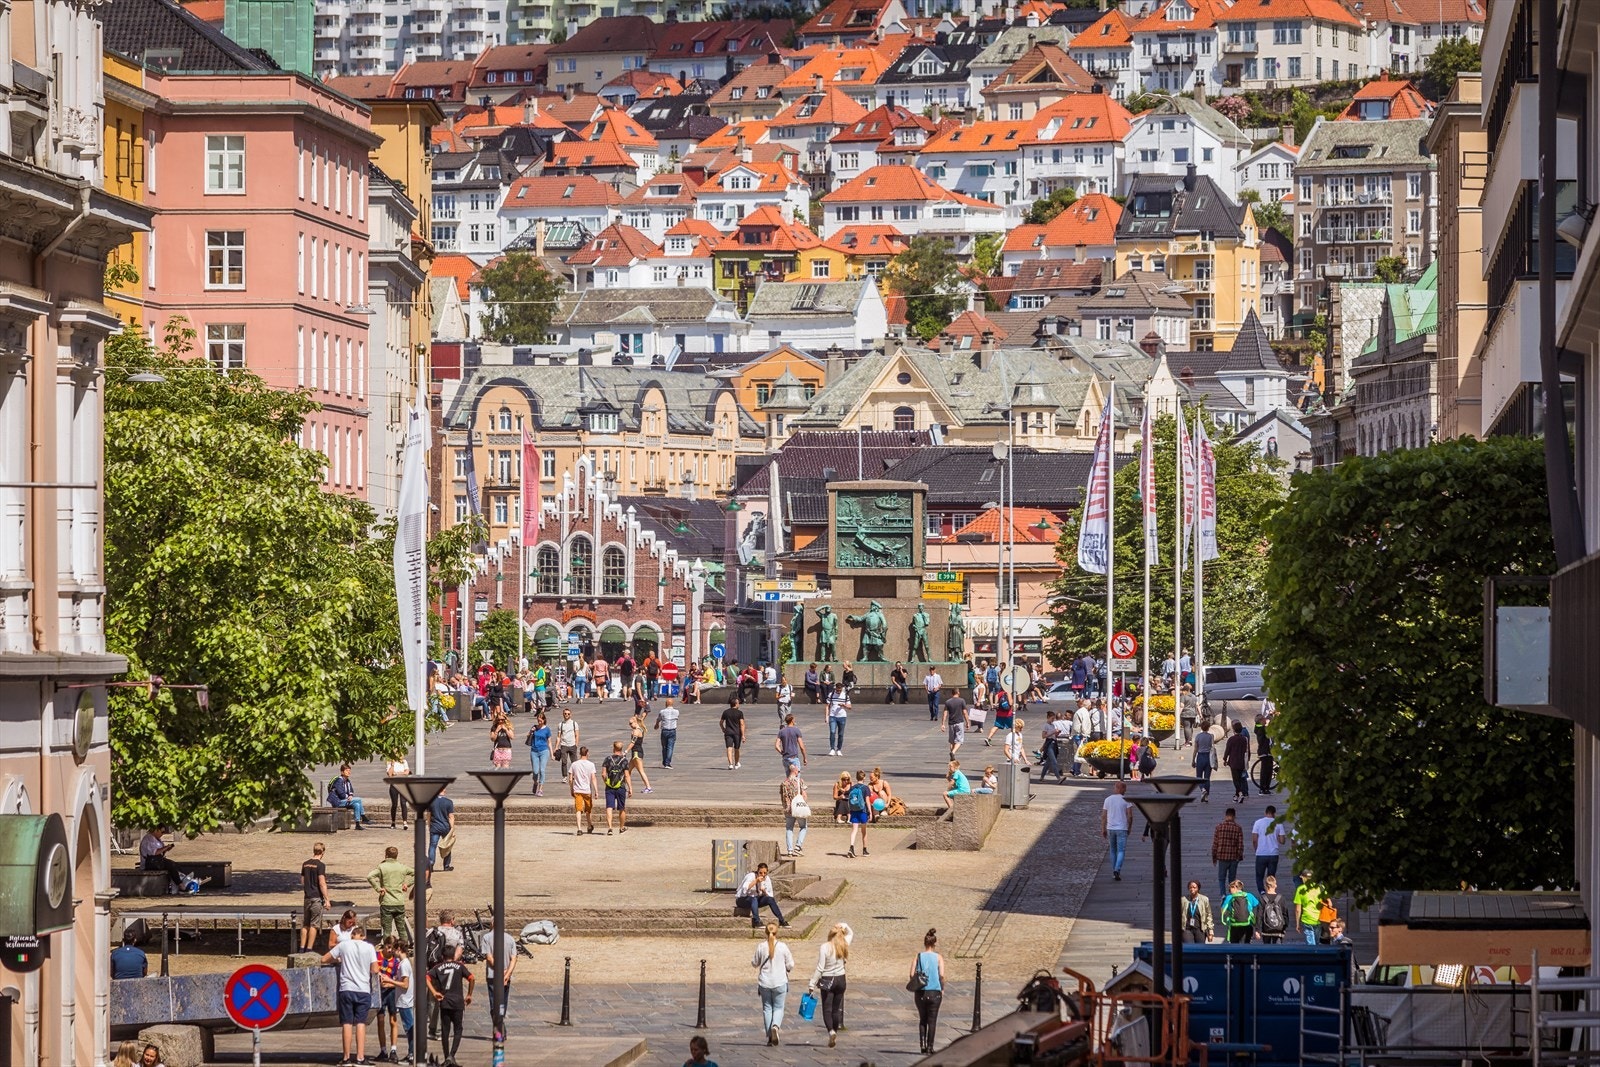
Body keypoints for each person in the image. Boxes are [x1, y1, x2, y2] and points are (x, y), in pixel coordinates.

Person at [323, 921, 380, 1064]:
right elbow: (375, 969)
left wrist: (340, 959)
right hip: (363, 989)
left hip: (346, 988)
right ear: (363, 936)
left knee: (347, 1023)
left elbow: (324, 959)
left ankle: (346, 1057)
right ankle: (360, 1057)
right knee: (361, 1023)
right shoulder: (369, 947)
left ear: (352, 934)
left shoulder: (344, 945)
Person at [426, 943, 473, 1067]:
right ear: (453, 955)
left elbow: (427, 977)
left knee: (445, 1031)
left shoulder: (438, 967)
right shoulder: (459, 966)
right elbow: (471, 978)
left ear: (442, 956)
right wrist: (469, 994)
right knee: (458, 1029)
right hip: (457, 1002)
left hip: (444, 1001)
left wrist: (434, 992)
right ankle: (452, 1055)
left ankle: (447, 1056)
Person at [808, 922, 853, 1048]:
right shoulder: (844, 944)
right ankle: (835, 1031)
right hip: (841, 979)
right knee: (836, 1009)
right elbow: (851, 932)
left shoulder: (825, 947)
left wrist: (812, 983)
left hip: (827, 980)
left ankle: (831, 1031)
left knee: (827, 1009)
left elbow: (820, 968)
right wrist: (843, 924)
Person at [752, 920, 795, 1046]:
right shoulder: (783, 946)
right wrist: (787, 968)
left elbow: (754, 963)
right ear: (777, 932)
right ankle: (775, 1026)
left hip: (765, 982)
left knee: (767, 1008)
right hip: (780, 981)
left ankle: (770, 1036)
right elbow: (790, 964)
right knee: (778, 1007)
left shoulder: (761, 946)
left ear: (766, 932)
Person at [479, 912, 517, 1041]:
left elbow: (489, 958)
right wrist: (507, 974)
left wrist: (501, 972)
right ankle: (501, 1027)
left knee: (493, 1004)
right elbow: (514, 959)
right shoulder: (510, 939)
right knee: (503, 1004)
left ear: (492, 924)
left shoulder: (487, 938)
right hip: (506, 976)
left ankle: (499, 1029)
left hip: (493, 975)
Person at [367, 845, 414, 941]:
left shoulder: (382, 867)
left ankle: (387, 949)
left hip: (387, 902)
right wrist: (407, 884)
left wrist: (378, 888)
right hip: (399, 902)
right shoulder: (402, 867)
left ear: (386, 855)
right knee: (401, 928)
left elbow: (370, 876)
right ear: (397, 855)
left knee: (387, 930)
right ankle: (404, 947)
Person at [910, 928, 946, 1055]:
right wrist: (942, 988)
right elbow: (941, 975)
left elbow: (911, 974)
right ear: (934, 944)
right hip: (934, 992)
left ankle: (922, 1045)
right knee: (932, 1020)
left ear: (925, 943)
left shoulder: (918, 956)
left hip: (921, 992)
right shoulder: (938, 957)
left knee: (922, 1019)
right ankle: (930, 1047)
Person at [384, 940, 415, 1063]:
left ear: (398, 949)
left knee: (409, 1028)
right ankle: (411, 1053)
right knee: (409, 1027)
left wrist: (390, 980)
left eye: (394, 949)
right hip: (404, 1000)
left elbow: (405, 984)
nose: (392, 951)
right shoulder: (403, 963)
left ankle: (412, 1054)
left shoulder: (404, 964)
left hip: (405, 1001)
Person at [300, 842, 331, 951]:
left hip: (307, 897)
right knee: (314, 924)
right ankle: (309, 948)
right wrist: (327, 899)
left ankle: (301, 947)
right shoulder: (320, 865)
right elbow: (322, 882)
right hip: (316, 897)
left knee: (305, 924)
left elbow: (302, 881)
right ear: (322, 852)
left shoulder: (305, 864)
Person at [738, 863, 788, 929]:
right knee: (754, 899)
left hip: (756, 900)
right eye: (760, 873)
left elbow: (769, 896)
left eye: (765, 873)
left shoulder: (767, 879)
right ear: (757, 872)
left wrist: (764, 891)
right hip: (743, 899)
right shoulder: (751, 876)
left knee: (770, 899)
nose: (763, 875)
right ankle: (757, 921)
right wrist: (756, 881)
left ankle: (781, 920)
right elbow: (745, 889)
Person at [1211, 807, 1245, 900]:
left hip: (1222, 856)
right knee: (1232, 878)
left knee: (1221, 878)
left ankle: (1223, 894)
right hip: (1234, 857)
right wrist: (1239, 856)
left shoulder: (1219, 827)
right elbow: (1240, 844)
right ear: (1234, 816)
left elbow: (1215, 844)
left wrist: (1214, 857)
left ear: (1226, 816)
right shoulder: (1238, 828)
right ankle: (1232, 894)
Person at [1251, 805, 1286, 894]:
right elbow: (1282, 841)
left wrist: (1256, 849)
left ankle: (1262, 891)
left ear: (1265, 813)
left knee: (1259, 876)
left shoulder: (1258, 822)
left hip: (1261, 853)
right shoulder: (1278, 823)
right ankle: (1270, 891)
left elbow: (1254, 839)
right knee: (1271, 875)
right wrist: (1276, 837)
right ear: (1274, 814)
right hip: (1273, 853)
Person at [1101, 782, 1132, 881]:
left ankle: (1114, 871)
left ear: (1115, 788)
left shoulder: (1108, 800)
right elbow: (1130, 816)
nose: (1125, 791)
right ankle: (1117, 869)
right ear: (1121, 789)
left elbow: (1103, 816)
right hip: (1122, 828)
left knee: (1113, 850)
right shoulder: (1126, 800)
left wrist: (1103, 828)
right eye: (1125, 789)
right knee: (1121, 851)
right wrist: (1129, 827)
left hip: (1110, 828)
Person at [138, 827, 185, 892]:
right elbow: (154, 852)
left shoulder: (157, 840)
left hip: (157, 861)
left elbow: (160, 852)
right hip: (150, 863)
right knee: (171, 865)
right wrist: (165, 847)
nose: (162, 834)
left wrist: (166, 849)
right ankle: (180, 884)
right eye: (162, 832)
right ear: (155, 830)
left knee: (176, 865)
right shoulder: (148, 839)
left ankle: (180, 882)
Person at [601, 741, 633, 835]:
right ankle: (621, 827)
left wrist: (606, 781)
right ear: (621, 749)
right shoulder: (624, 760)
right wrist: (630, 787)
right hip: (621, 786)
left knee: (609, 807)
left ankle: (610, 828)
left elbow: (603, 774)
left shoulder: (607, 759)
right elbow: (627, 775)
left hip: (609, 786)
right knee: (621, 808)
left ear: (613, 748)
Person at [568, 745, 598, 835]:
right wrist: (596, 790)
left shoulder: (574, 764)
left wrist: (571, 788)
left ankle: (579, 829)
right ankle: (589, 825)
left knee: (578, 809)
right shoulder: (591, 764)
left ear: (579, 753)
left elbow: (570, 779)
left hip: (577, 790)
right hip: (587, 790)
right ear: (587, 753)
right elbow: (593, 778)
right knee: (588, 810)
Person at [328, 763, 369, 829]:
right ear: (342, 772)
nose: (349, 772)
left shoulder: (347, 781)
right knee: (359, 799)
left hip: (344, 800)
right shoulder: (339, 780)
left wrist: (350, 795)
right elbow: (341, 794)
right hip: (338, 802)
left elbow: (351, 790)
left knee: (357, 805)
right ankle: (363, 816)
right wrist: (348, 796)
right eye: (347, 770)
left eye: (349, 770)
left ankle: (357, 824)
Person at [780, 763, 809, 857]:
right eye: (797, 770)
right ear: (794, 771)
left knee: (789, 828)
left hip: (788, 809)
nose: (798, 771)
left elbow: (783, 797)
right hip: (799, 807)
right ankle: (798, 846)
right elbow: (804, 795)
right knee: (803, 827)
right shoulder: (800, 781)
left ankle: (790, 850)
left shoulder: (784, 783)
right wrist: (804, 804)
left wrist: (786, 807)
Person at [1294, 871, 1328, 945]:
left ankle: (1313, 954)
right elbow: (1329, 902)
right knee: (1317, 942)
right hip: (1318, 919)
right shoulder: (1320, 887)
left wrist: (1297, 924)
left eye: (1302, 877)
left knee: (1310, 944)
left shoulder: (1300, 889)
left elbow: (1298, 909)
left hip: (1307, 919)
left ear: (1304, 878)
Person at [427, 785, 455, 874]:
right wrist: (452, 829)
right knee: (447, 845)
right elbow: (451, 817)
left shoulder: (431, 802)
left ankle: (431, 863)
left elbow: (428, 815)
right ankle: (446, 865)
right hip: (445, 827)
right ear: (444, 790)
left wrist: (429, 825)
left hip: (434, 826)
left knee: (432, 846)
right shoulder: (449, 802)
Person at [1220, 879, 1259, 944]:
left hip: (1234, 925)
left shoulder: (1229, 897)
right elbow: (1257, 906)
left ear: (1234, 887)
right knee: (1247, 944)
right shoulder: (1249, 895)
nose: (1229, 891)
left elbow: (1223, 911)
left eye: (1230, 889)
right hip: (1247, 924)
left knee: (1234, 946)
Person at [1256, 874, 1289, 944]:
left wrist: (1257, 929)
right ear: (1275, 885)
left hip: (1266, 928)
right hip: (1279, 929)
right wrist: (1285, 927)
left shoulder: (1262, 898)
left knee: (1266, 949)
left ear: (1265, 886)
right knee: (1278, 950)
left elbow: (1259, 915)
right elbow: (1285, 914)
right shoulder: (1281, 898)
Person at [845, 771, 872, 858]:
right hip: (862, 810)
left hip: (854, 810)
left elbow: (848, 797)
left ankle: (851, 847)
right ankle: (864, 850)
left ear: (856, 778)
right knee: (864, 831)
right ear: (864, 778)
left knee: (854, 830)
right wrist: (870, 812)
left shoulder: (852, 788)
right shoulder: (865, 788)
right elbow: (867, 801)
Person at [1223, 720, 1251, 803]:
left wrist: (1225, 759)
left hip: (1233, 762)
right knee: (1240, 778)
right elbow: (1247, 749)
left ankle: (1240, 793)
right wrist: (1248, 758)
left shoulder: (1231, 739)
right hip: (1242, 761)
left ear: (1234, 730)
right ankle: (1236, 796)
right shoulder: (1244, 739)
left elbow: (1227, 750)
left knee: (1236, 780)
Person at [627, 711, 654, 793]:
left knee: (641, 771)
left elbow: (633, 742)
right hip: (636, 752)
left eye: (631, 723)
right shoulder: (640, 729)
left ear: (635, 722)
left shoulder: (636, 731)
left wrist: (625, 751)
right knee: (627, 771)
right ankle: (625, 786)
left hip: (636, 753)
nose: (630, 725)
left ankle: (648, 787)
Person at [526, 712, 551, 796]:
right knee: (535, 771)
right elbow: (528, 736)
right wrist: (531, 731)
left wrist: (552, 753)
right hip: (534, 751)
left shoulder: (547, 729)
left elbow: (549, 741)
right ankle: (535, 782)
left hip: (544, 750)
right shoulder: (534, 727)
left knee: (542, 770)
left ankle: (540, 789)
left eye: (540, 721)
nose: (539, 722)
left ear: (544, 720)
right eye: (538, 720)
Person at [1192, 716, 1216, 801]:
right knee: (1207, 778)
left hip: (1200, 756)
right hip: (1208, 757)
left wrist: (1193, 760)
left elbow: (1195, 749)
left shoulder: (1198, 736)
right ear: (1208, 728)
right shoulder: (1211, 736)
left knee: (1198, 777)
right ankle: (1206, 796)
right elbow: (1213, 747)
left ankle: (1202, 789)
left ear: (1201, 727)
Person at [385, 752, 411, 830]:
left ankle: (405, 822)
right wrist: (392, 765)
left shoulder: (404, 762)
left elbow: (407, 772)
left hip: (403, 785)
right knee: (394, 804)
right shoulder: (389, 762)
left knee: (403, 803)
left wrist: (396, 774)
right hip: (394, 785)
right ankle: (393, 822)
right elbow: (389, 774)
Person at [720, 698, 747, 770]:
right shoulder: (739, 713)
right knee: (737, 748)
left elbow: (721, 722)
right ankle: (736, 763)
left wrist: (723, 729)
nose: (739, 704)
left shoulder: (726, 712)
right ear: (735, 704)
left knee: (729, 747)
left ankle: (730, 764)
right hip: (737, 733)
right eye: (738, 703)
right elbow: (742, 724)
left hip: (728, 732)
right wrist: (743, 735)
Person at [825, 682, 851, 756]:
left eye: (840, 690)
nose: (838, 691)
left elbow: (850, 707)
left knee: (841, 734)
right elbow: (827, 706)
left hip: (842, 716)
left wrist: (844, 705)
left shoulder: (845, 695)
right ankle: (832, 749)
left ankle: (839, 749)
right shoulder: (831, 694)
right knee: (832, 732)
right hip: (833, 716)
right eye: (837, 690)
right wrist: (826, 716)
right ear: (835, 688)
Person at [941, 688, 967, 758]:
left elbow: (945, 713)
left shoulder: (948, 702)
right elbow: (964, 712)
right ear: (958, 693)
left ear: (952, 693)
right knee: (959, 740)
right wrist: (967, 722)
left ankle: (952, 757)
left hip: (951, 723)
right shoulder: (962, 701)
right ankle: (953, 752)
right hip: (959, 722)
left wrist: (943, 724)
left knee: (952, 741)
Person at [554, 707, 580, 778]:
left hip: (572, 745)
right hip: (564, 745)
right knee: (564, 762)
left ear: (571, 715)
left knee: (574, 762)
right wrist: (556, 747)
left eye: (568, 714)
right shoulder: (561, 724)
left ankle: (574, 775)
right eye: (565, 713)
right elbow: (558, 736)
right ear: (563, 714)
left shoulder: (574, 723)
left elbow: (577, 735)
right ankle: (564, 776)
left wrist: (576, 745)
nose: (566, 715)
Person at [654, 697, 680, 768]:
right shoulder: (676, 711)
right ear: (672, 704)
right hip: (672, 730)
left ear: (666, 704)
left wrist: (656, 725)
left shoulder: (662, 711)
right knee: (670, 747)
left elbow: (659, 719)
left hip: (664, 730)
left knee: (664, 747)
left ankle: (665, 761)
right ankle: (667, 762)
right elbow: (677, 718)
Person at [1256, 718, 1275, 794]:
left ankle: (1267, 787)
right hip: (1264, 752)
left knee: (1269, 771)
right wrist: (1263, 724)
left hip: (1270, 753)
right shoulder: (1261, 729)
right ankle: (1262, 788)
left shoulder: (1271, 733)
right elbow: (1257, 728)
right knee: (1264, 771)